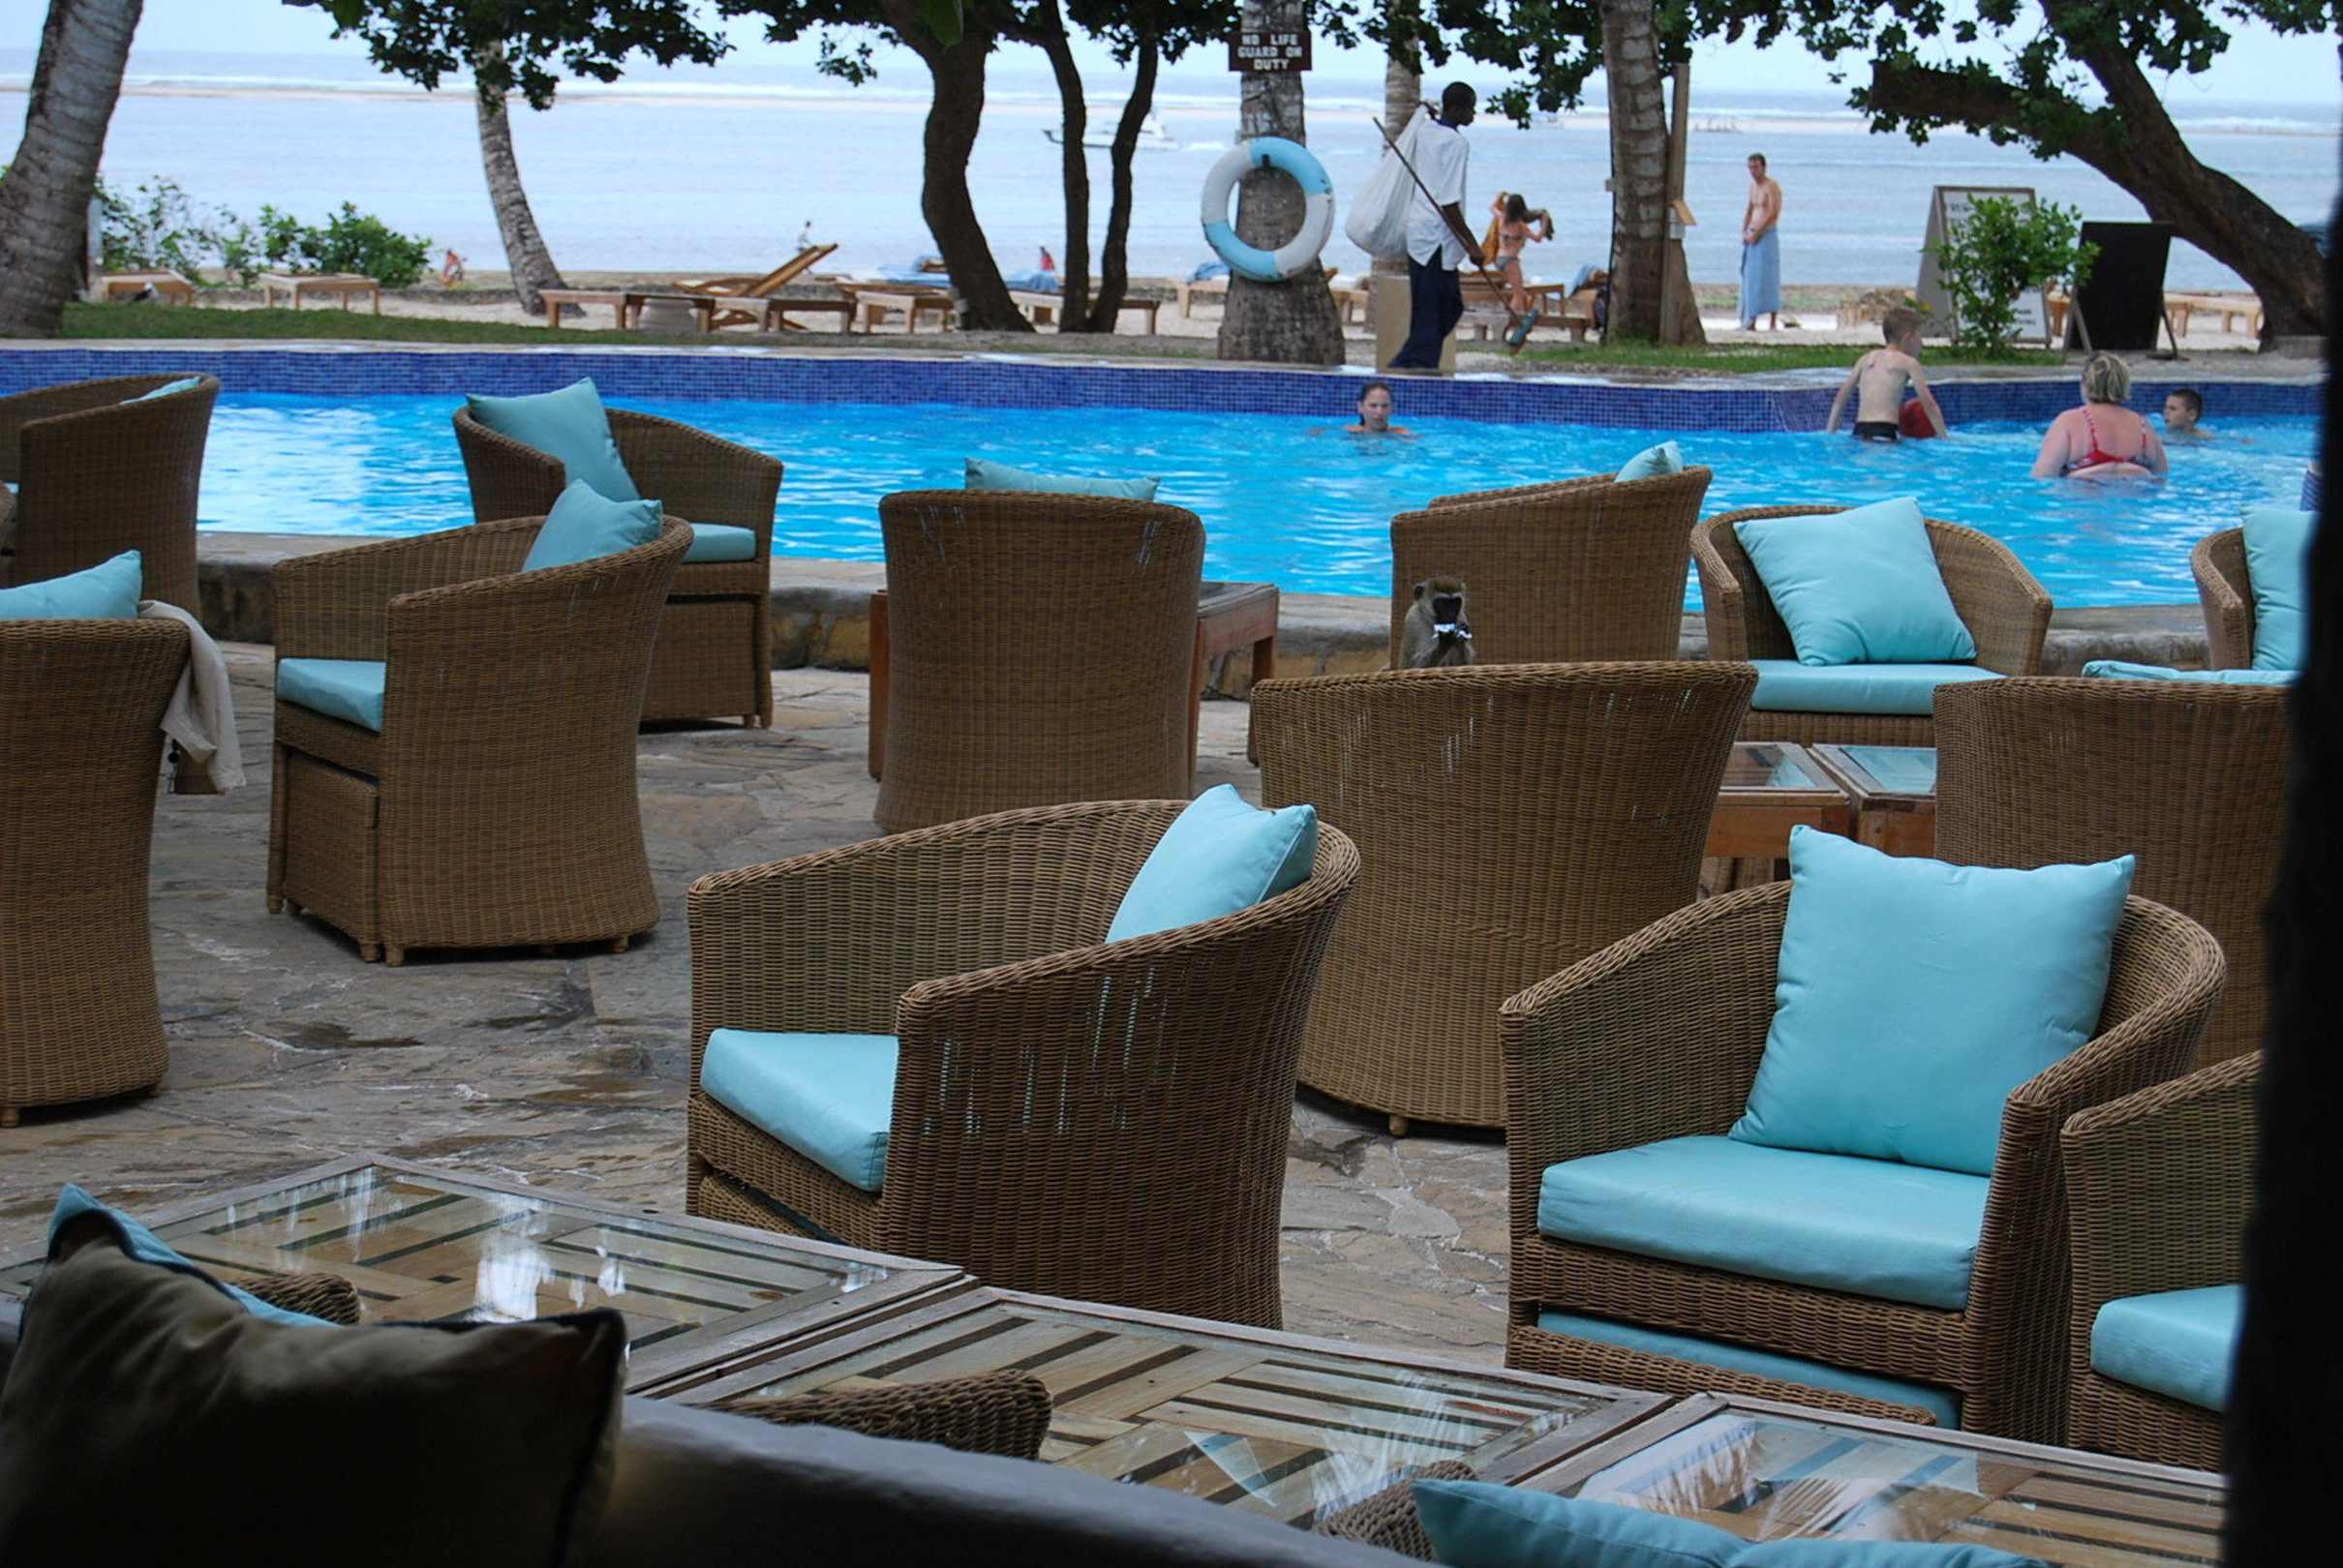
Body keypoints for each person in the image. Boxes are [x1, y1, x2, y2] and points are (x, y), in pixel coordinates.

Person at [1389, 82, 1483, 372]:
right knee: (1433, 311)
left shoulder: (1426, 130)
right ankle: (1416, 365)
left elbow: (1427, 119)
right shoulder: (1456, 143)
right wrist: (1472, 244)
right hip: (1436, 238)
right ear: (1455, 109)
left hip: (1420, 231)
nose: (1473, 115)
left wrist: (1429, 114)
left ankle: (1408, 360)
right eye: (1470, 108)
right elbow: (1448, 202)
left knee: (1446, 306)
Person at [2031, 353, 2169, 480]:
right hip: (2133, 494)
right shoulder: (2144, 427)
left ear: (2085, 384)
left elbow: (2043, 477)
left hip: (2083, 495)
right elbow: (2162, 476)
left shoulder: (2068, 422)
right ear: (2124, 385)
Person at [1823, 307, 1945, 441]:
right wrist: (1944, 438)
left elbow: (1840, 398)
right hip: (1885, 430)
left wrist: (1830, 432)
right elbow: (1929, 405)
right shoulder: (1909, 363)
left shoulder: (1865, 359)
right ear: (1908, 338)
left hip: (1859, 430)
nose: (1921, 343)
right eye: (1919, 337)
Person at [1485, 193, 1553, 317]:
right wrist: (1544, 222)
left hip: (1499, 259)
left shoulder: (1501, 218)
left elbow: (1492, 208)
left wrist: (1499, 197)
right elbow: (1537, 238)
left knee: (1518, 292)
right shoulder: (1520, 225)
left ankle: (1516, 315)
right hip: (1511, 260)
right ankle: (1513, 318)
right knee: (1519, 294)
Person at [1739, 153, 1782, 331]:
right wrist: (1745, 230)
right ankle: (1751, 319)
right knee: (1750, 277)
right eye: (1750, 167)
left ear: (1763, 167)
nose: (1753, 171)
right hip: (1752, 234)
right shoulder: (1752, 188)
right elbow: (1750, 210)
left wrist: (1759, 232)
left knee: (1768, 277)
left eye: (1756, 167)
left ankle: (1772, 320)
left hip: (1766, 235)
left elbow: (1773, 212)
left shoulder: (1771, 186)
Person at [1344, 380, 1413, 437]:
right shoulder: (1349, 434)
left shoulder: (1402, 434)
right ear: (1360, 407)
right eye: (1373, 406)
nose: (1379, 412)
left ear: (1391, 408)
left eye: (1385, 406)